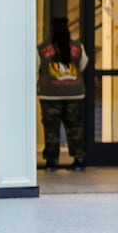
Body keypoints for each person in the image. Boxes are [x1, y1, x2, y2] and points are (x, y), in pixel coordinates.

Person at [37, 17, 89, 171]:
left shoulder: (43, 49)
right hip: (75, 93)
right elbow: (83, 64)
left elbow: (35, 67)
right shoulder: (77, 47)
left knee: (51, 128)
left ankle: (51, 160)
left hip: (50, 94)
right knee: (75, 127)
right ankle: (79, 158)